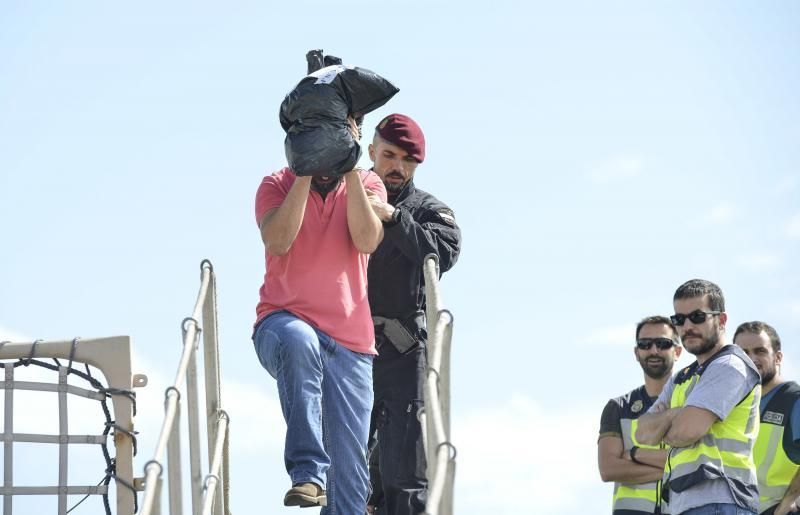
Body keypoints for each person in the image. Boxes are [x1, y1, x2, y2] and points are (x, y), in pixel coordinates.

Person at [252, 117, 386, 513]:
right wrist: (306, 168)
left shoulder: (369, 184)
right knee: (299, 340)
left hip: (351, 343)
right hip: (282, 323)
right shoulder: (275, 184)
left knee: (349, 480)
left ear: (355, 133)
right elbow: (278, 240)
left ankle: (328, 488)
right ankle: (307, 474)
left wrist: (347, 165)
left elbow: (367, 239)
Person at [363, 113, 461, 515]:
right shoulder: (343, 194)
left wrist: (395, 218)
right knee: (343, 460)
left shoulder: (427, 209)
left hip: (402, 355)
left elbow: (443, 253)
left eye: (408, 160)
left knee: (405, 470)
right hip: (346, 346)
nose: (397, 167)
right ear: (372, 151)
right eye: (389, 155)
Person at [636, 279, 761, 515]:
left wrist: (666, 424)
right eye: (679, 319)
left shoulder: (730, 366)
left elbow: (685, 431)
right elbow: (642, 432)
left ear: (721, 320)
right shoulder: (682, 376)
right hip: (684, 502)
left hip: (722, 499)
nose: (687, 326)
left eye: (697, 317)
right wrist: (676, 413)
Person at [598, 315, 683, 514]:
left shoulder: (693, 403)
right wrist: (670, 470)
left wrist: (635, 455)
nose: (654, 350)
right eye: (645, 344)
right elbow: (608, 469)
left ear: (677, 351)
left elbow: (699, 461)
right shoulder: (618, 407)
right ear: (637, 353)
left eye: (663, 343)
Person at [735, 321, 800, 515]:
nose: (751, 358)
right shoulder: (731, 405)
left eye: (760, 351)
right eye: (743, 352)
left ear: (778, 357)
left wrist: (789, 501)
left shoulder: (794, 400)